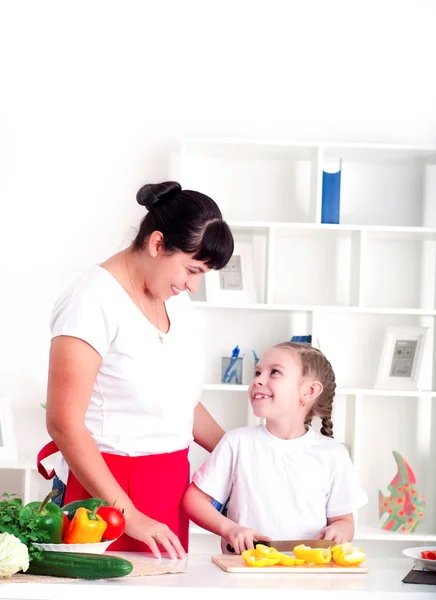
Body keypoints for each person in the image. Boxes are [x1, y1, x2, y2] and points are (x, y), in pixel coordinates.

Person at [37, 181, 234, 559]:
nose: (192, 285)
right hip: (105, 496)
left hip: (169, 487)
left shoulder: (171, 297)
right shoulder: (90, 302)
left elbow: (179, 401)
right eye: (191, 270)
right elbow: (63, 423)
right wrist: (128, 514)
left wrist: (240, 455)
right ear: (157, 244)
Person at [181, 342, 368, 554]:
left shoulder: (333, 454)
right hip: (244, 570)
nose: (258, 380)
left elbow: (344, 520)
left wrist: (339, 531)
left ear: (309, 391)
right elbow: (194, 500)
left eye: (275, 372)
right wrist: (230, 529)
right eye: (258, 372)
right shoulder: (237, 443)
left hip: (307, 571)